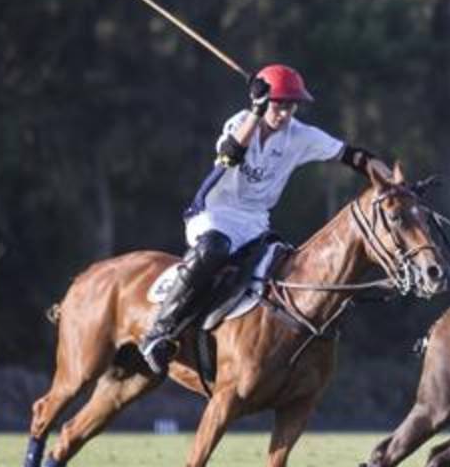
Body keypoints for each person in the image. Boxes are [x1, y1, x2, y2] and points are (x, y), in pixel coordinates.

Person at [139, 63, 392, 374]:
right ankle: (159, 332)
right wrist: (256, 113)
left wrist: (394, 186)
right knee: (213, 250)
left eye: (291, 106)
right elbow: (229, 156)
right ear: (260, 101)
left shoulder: (301, 136)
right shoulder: (240, 123)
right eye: (279, 105)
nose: (285, 114)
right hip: (214, 215)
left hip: (256, 223)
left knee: (284, 269)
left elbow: (354, 156)